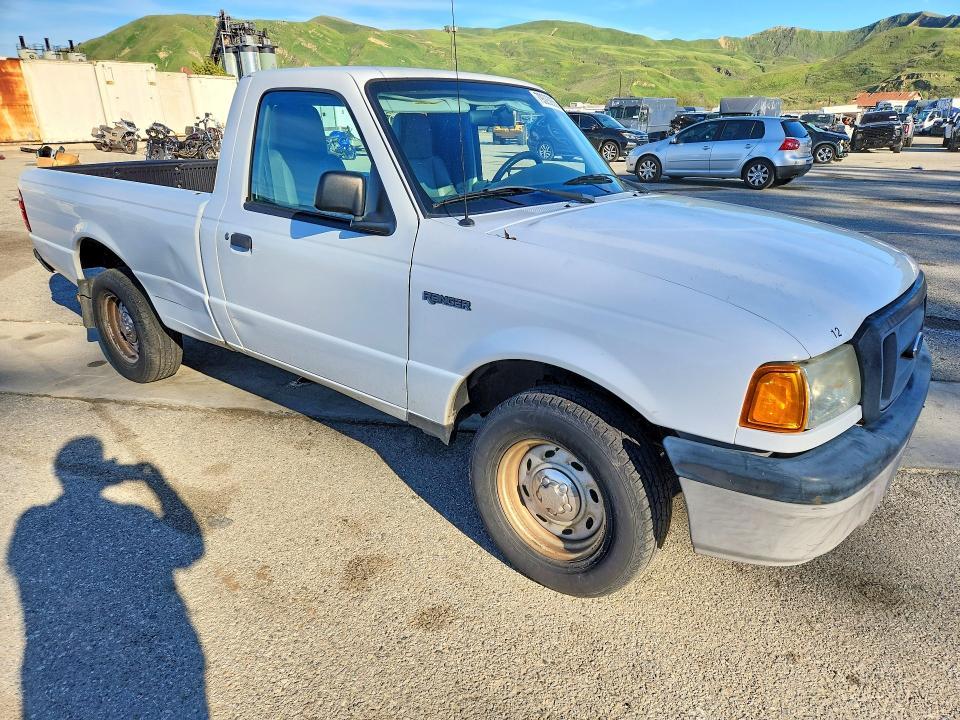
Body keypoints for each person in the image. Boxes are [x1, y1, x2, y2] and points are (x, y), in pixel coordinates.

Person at [8, 437, 208, 719]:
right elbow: (190, 547)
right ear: (103, 473)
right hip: (146, 666)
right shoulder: (132, 519)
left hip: (61, 673)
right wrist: (156, 482)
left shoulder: (33, 523)